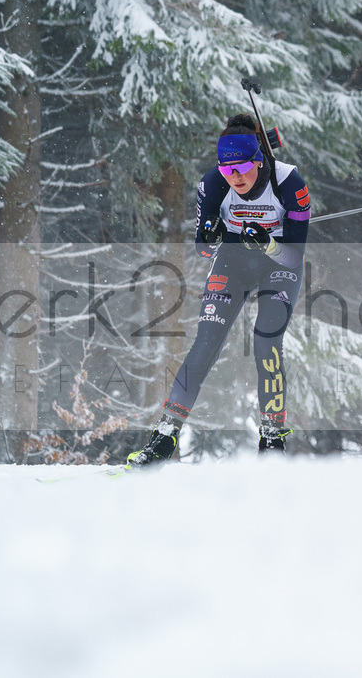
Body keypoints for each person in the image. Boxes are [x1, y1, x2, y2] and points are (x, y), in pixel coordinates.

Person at [127, 114, 311, 465]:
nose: (235, 177)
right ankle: (164, 438)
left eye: (241, 168)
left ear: (258, 160)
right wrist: (211, 238)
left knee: (266, 339)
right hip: (232, 262)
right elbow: (203, 247)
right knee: (206, 342)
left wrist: (269, 245)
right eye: (227, 170)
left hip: (278, 265)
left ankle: (272, 440)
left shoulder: (289, 182)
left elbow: (293, 257)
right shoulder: (212, 184)